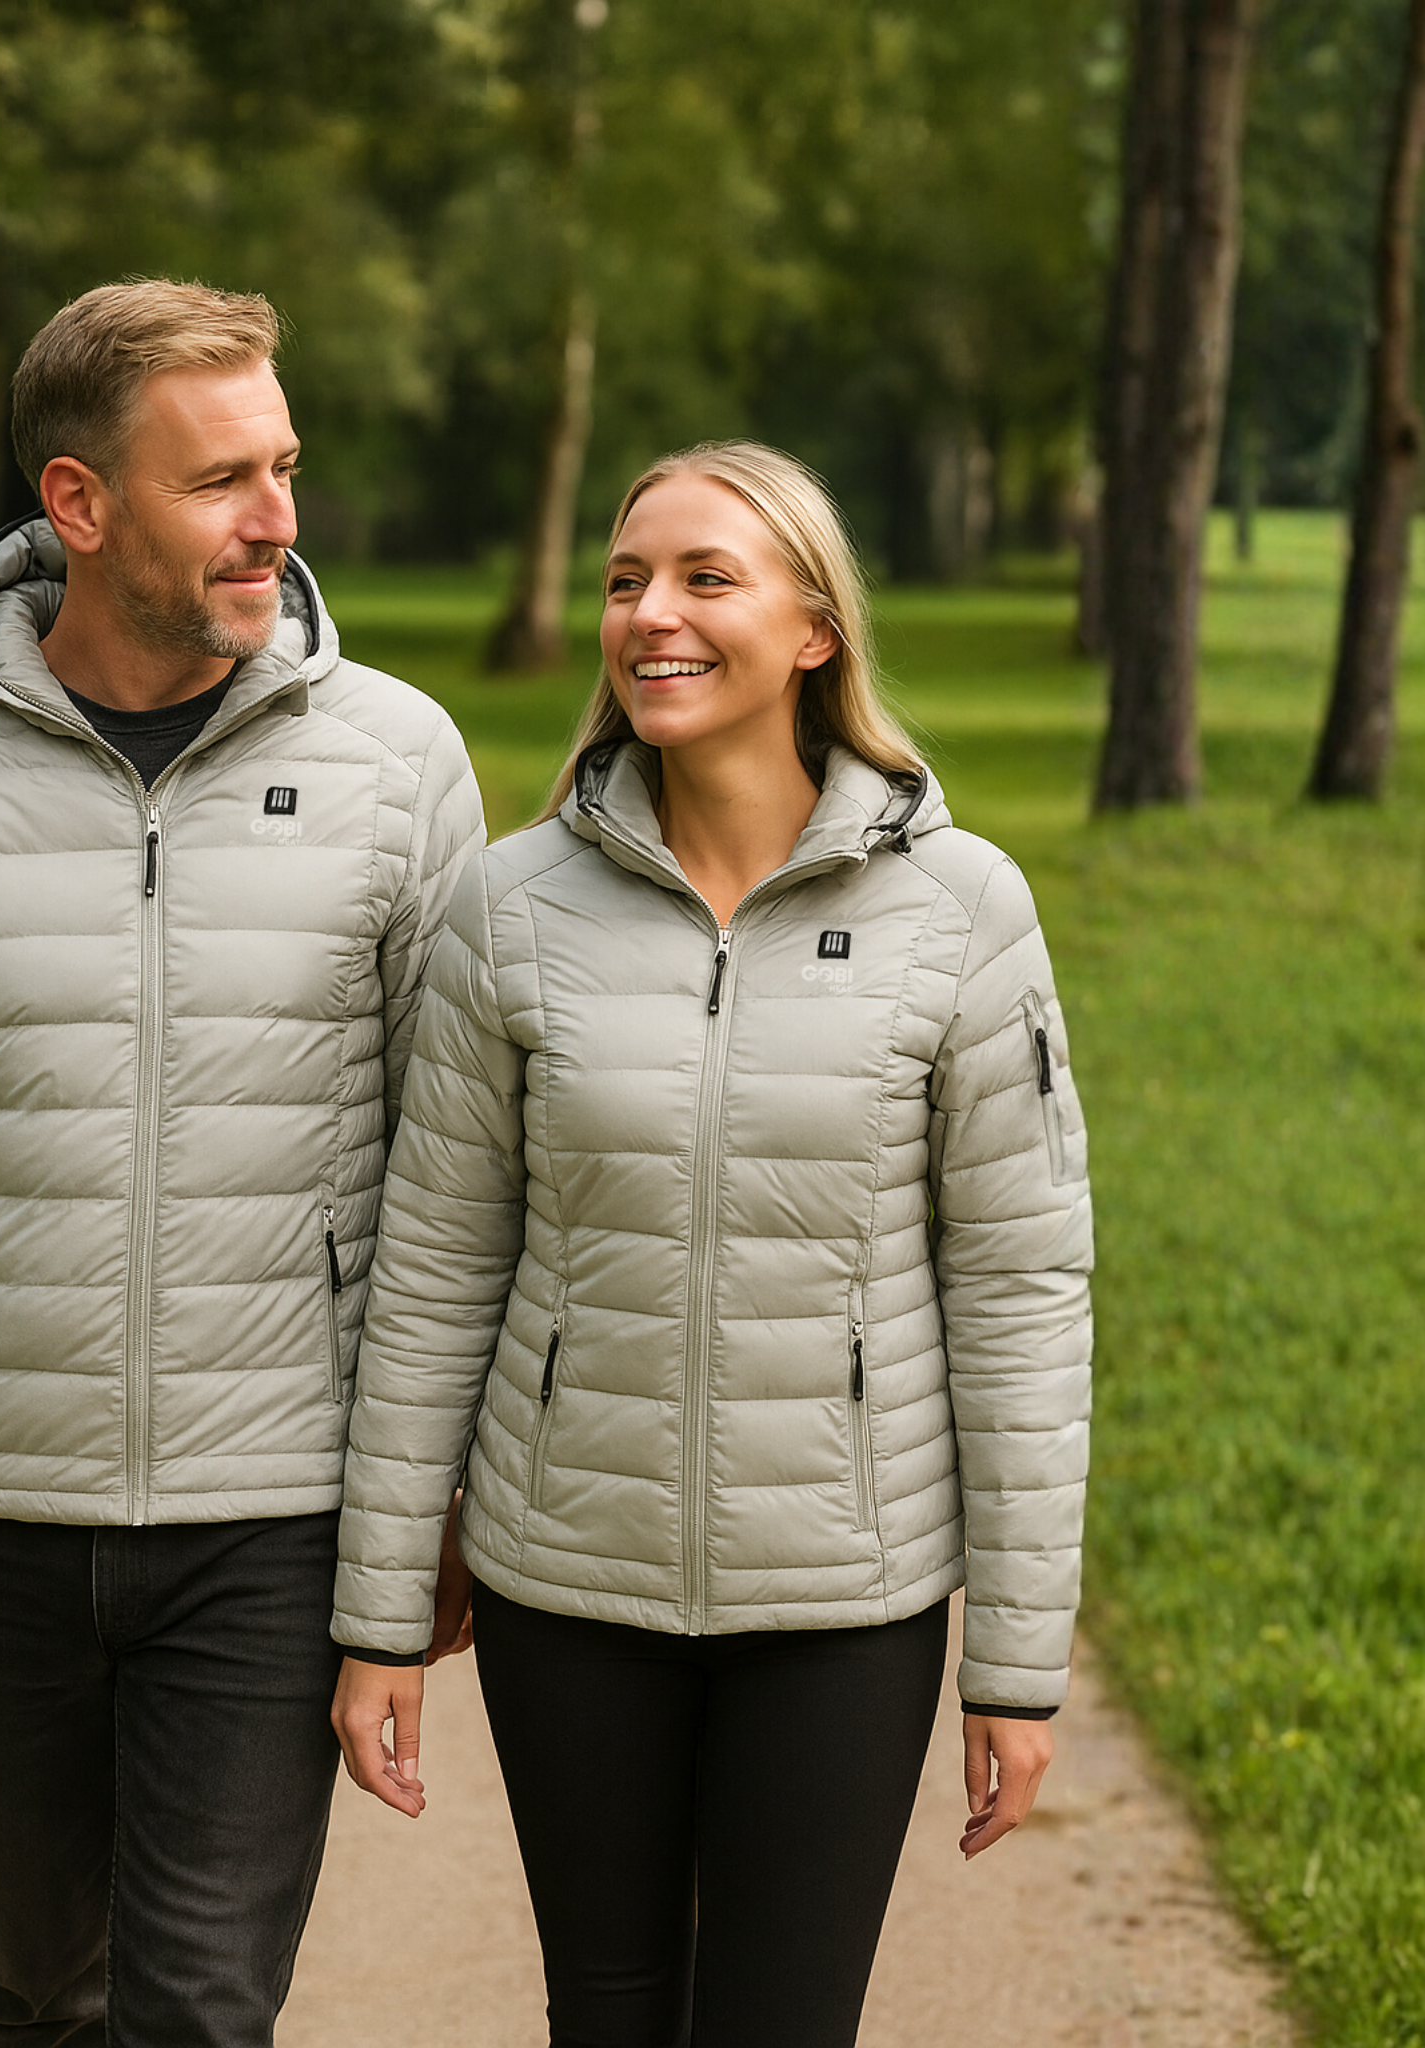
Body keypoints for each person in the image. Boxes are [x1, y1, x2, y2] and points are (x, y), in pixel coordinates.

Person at [0, 278, 485, 2047]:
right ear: (80, 506)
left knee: (201, 2010)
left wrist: (438, 1498)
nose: (279, 520)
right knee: (41, 1992)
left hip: (275, 1514)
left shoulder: (399, 765)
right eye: (223, 479)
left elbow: (461, 1173)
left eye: (283, 466)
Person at [329, 441, 1092, 2047]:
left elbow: (1021, 1295)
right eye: (625, 580)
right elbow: (433, 1275)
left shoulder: (961, 912)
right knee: (604, 2019)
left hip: (845, 1596)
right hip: (566, 1584)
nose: (648, 615)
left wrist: (1014, 1664)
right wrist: (382, 1611)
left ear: (816, 629)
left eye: (703, 578)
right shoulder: (509, 907)